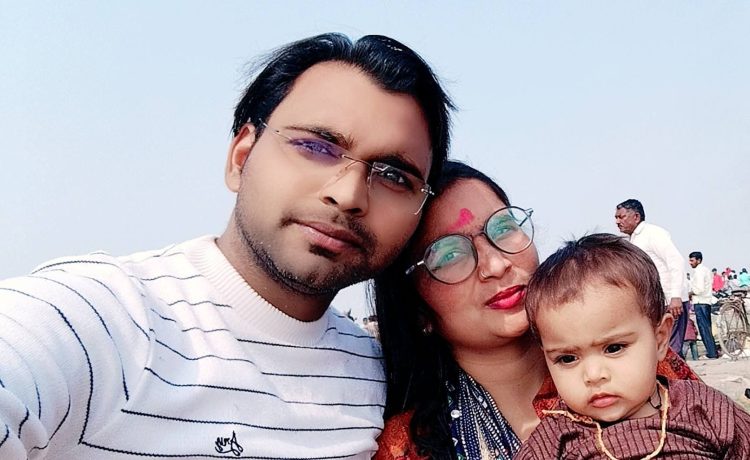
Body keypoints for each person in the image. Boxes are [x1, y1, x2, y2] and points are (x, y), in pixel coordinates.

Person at [0, 33, 454, 459]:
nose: (349, 194)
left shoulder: (383, 376)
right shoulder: (109, 319)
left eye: (394, 176)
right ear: (241, 157)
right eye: (316, 147)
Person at [374, 161, 696, 460]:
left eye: (503, 228)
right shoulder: (407, 447)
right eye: (449, 254)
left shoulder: (637, 362)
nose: (496, 264)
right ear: (416, 308)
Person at [516, 234, 750, 459]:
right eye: (567, 359)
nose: (593, 375)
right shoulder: (554, 438)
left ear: (660, 339)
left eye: (614, 348)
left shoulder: (705, 408)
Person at [615, 198, 689, 357]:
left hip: (671, 302)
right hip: (654, 303)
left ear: (636, 217)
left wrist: (675, 296)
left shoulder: (653, 234)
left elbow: (676, 261)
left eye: (621, 217)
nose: (617, 222)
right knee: (659, 350)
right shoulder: (633, 240)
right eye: (616, 218)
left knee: (671, 351)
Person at [689, 251, 720, 359]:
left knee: (704, 328)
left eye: (692, 260)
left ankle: (711, 353)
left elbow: (699, 289)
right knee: (707, 328)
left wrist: (689, 293)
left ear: (698, 260)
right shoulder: (705, 270)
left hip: (700, 302)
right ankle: (713, 351)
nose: (690, 263)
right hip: (705, 301)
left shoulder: (699, 271)